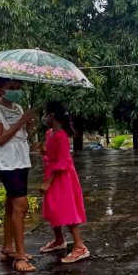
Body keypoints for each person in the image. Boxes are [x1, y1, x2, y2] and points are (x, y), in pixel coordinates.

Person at [0, 78, 36, 272]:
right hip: (6, 160)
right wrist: (22, 121)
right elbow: (1, 138)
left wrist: (30, 126)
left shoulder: (19, 107)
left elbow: (23, 134)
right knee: (21, 205)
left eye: (18, 88)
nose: (16, 91)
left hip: (21, 158)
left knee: (11, 203)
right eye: (11, 88)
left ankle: (8, 249)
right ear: (0, 89)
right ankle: (20, 256)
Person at [38, 102, 90, 263]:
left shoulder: (61, 136)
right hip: (52, 175)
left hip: (62, 178)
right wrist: (43, 151)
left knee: (66, 209)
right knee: (54, 209)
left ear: (52, 116)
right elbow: (51, 156)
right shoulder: (50, 133)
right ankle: (59, 240)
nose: (44, 117)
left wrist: (48, 182)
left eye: (46, 114)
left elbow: (62, 162)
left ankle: (80, 246)